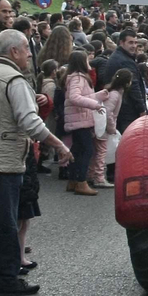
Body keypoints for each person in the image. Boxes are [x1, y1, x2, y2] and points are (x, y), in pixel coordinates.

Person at [0, 30, 70, 296]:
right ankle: (7, 277)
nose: (31, 54)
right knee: (6, 221)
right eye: (26, 49)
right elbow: (29, 122)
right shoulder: (14, 80)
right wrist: (60, 144)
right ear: (14, 52)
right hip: (2, 159)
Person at [57, 51, 106, 196]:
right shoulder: (78, 77)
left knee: (77, 150)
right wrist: (95, 104)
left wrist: (98, 96)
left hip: (78, 118)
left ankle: (73, 180)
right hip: (80, 120)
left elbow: (80, 96)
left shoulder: (74, 77)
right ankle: (81, 181)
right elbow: (75, 97)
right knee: (87, 150)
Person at [88, 68, 133, 190]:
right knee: (102, 152)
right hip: (104, 128)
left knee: (96, 152)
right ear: (127, 82)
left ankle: (91, 175)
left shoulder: (112, 91)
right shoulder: (116, 94)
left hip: (100, 126)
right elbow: (108, 112)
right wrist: (112, 128)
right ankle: (99, 178)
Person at [100, 31, 147, 132]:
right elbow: (133, 87)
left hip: (122, 105)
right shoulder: (124, 60)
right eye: (130, 43)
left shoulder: (119, 56)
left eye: (135, 43)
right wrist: (142, 109)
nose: (134, 46)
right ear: (121, 42)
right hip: (127, 108)